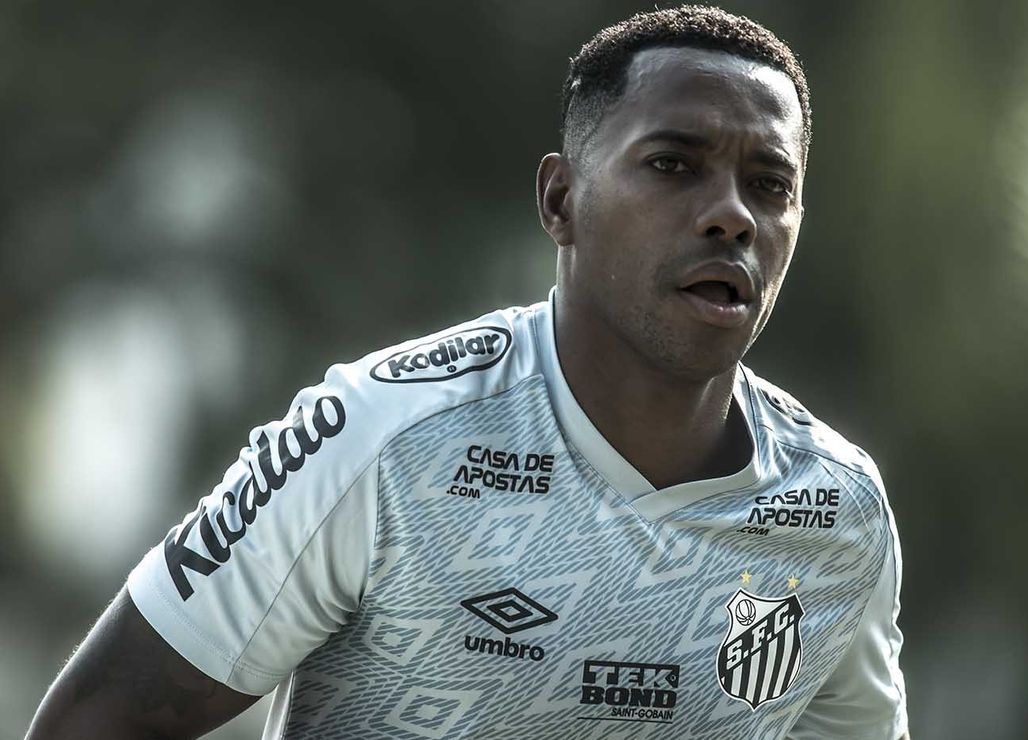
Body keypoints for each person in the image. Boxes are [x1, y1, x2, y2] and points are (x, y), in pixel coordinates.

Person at [27, 5, 908, 739]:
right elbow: (96, 722)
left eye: (770, 185)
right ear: (561, 200)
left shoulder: (837, 514)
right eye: (673, 164)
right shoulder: (383, 435)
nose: (732, 216)